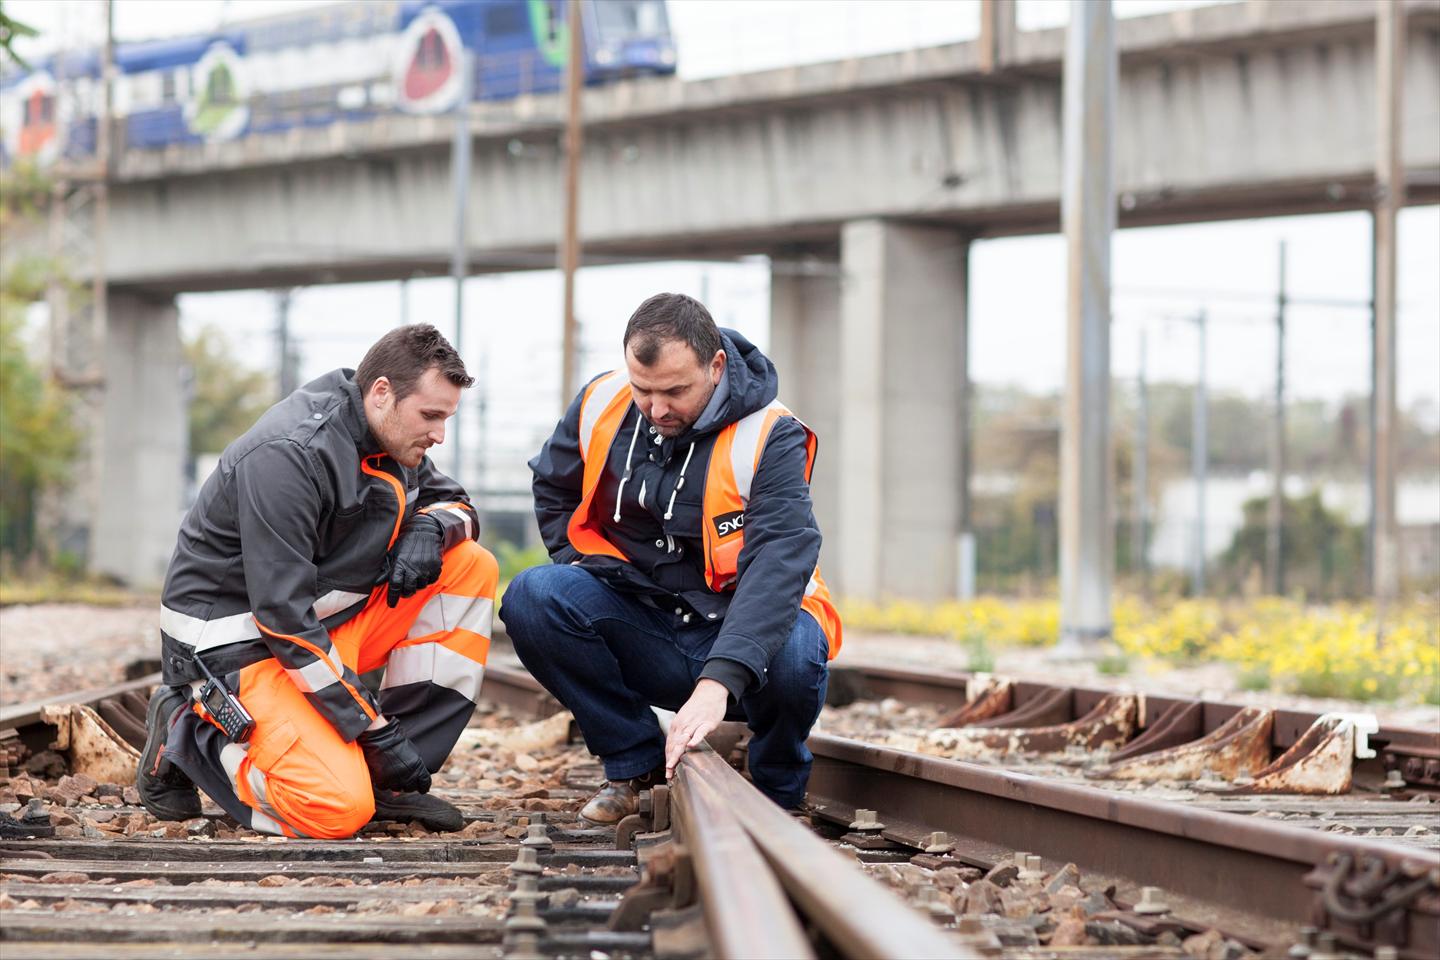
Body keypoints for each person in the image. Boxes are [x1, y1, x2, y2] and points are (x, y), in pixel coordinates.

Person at [137, 324, 497, 839]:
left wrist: (430, 525)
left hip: (320, 624)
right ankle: (192, 733)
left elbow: (458, 502)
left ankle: (389, 780)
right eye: (431, 416)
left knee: (469, 564)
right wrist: (370, 727)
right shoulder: (288, 455)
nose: (439, 434)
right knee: (335, 809)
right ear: (382, 394)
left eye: (446, 418)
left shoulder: (391, 435)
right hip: (240, 647)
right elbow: (281, 617)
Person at [501, 293, 841, 821]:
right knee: (534, 595)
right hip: (644, 621)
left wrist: (719, 682)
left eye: (676, 391)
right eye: (644, 390)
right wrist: (574, 560)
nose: (657, 409)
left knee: (797, 650)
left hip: (742, 632)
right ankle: (633, 765)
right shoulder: (601, 402)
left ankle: (777, 787)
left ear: (716, 366)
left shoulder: (771, 435)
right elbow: (554, 484)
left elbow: (779, 563)